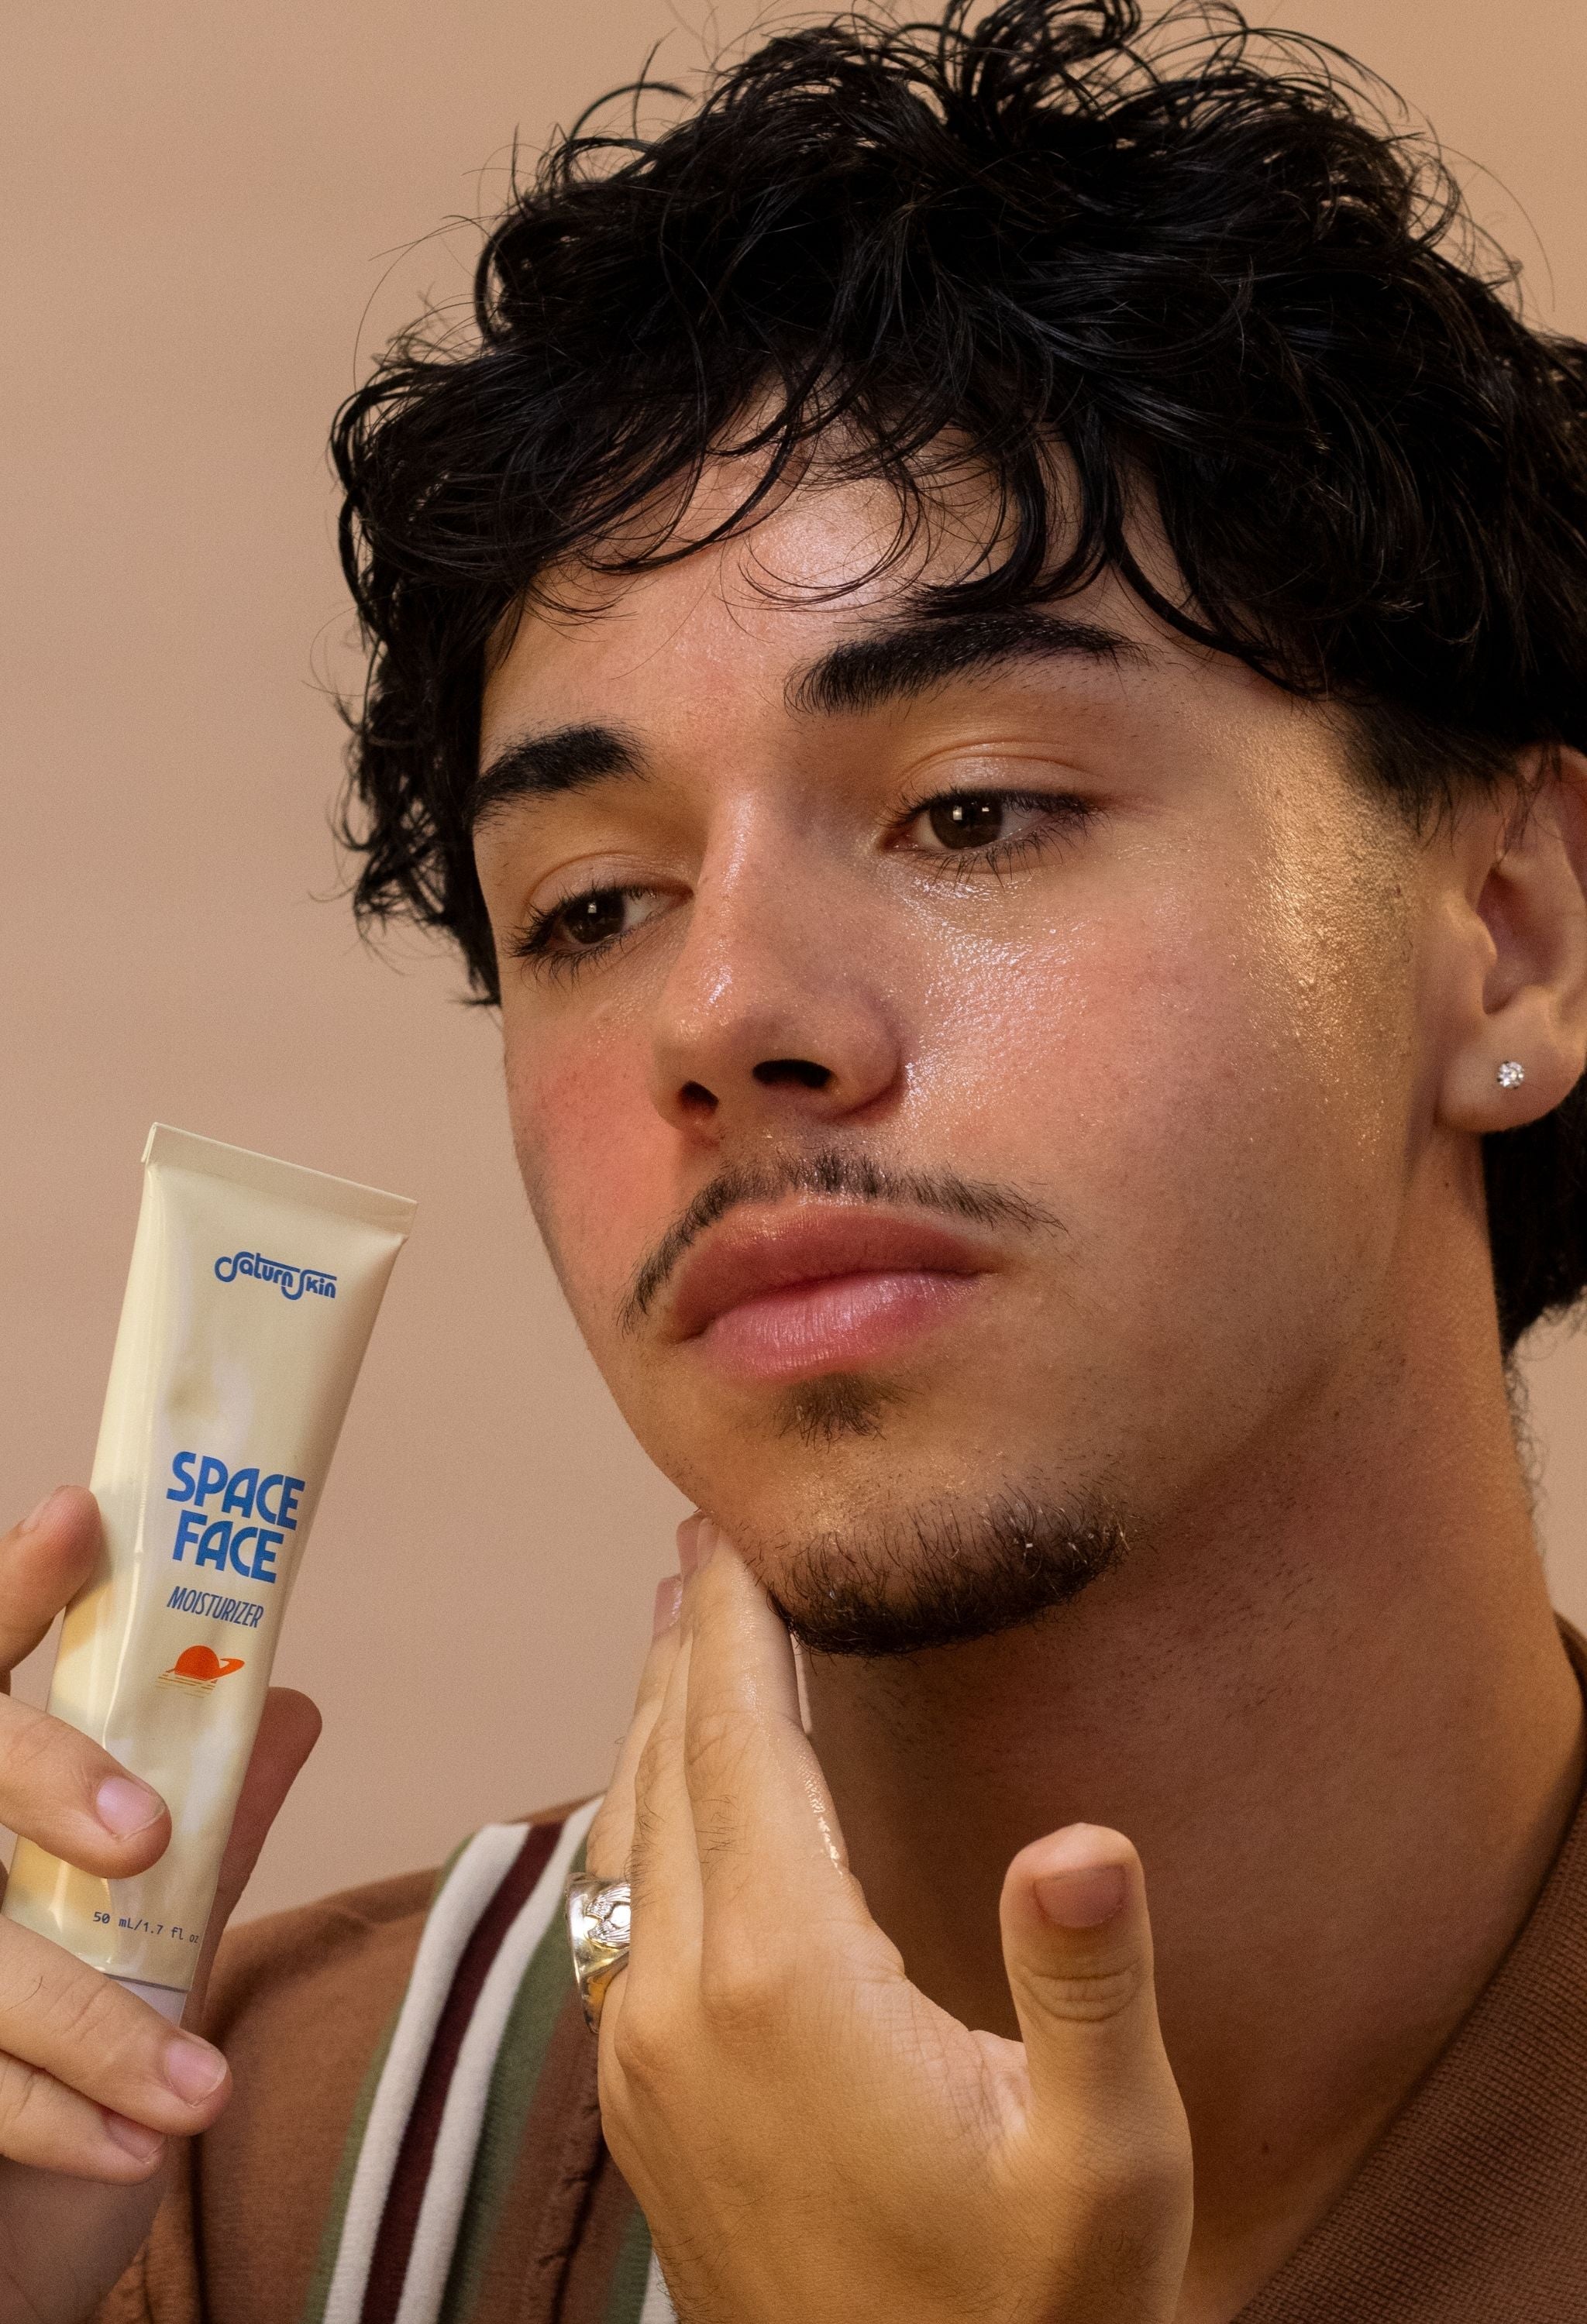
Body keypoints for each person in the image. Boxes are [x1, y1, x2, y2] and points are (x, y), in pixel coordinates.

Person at [4, 1, 1587, 2316]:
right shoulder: (268, 2183)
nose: (725, 1016)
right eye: (592, 909)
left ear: (1514, 934)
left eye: (973, 812)